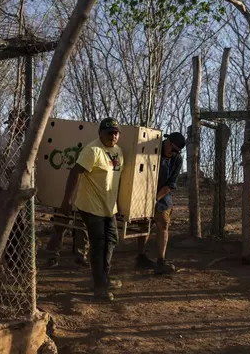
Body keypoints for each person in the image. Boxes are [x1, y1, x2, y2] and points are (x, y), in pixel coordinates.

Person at [59, 117, 124, 301]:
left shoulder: (118, 152)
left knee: (111, 240)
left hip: (108, 207)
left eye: (116, 133)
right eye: (109, 132)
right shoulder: (93, 150)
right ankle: (99, 287)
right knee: (99, 244)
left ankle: (105, 276)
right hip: (90, 205)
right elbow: (75, 172)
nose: (113, 136)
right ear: (100, 133)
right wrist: (67, 200)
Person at [135, 132, 186, 274]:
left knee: (163, 223)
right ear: (167, 141)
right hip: (143, 191)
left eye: (177, 151)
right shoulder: (152, 150)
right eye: (173, 149)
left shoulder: (177, 159)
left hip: (163, 195)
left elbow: (171, 183)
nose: (173, 153)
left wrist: (156, 199)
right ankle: (141, 257)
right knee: (144, 224)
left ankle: (161, 260)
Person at [0, 109, 31, 274]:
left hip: (20, 189)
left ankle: (17, 262)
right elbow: (8, 168)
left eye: (23, 122)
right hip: (8, 188)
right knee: (13, 227)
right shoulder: (6, 140)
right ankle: (12, 264)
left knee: (20, 227)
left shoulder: (21, 138)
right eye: (19, 121)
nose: (22, 125)